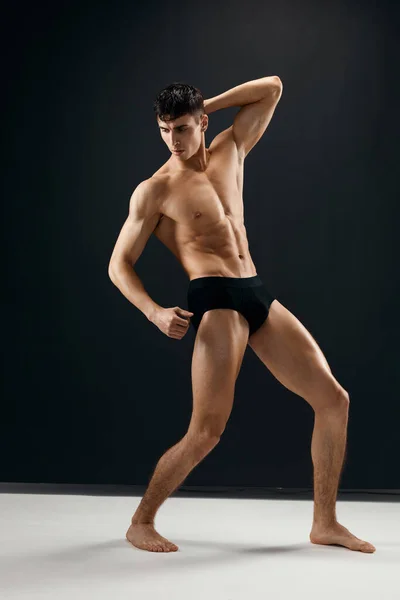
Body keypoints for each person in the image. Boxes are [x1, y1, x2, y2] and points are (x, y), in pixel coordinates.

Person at [108, 79, 376, 554]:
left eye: (184, 127)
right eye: (165, 129)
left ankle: (325, 523)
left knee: (335, 400)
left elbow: (271, 87)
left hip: (255, 291)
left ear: (203, 121)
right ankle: (141, 521)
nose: (173, 139)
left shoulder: (231, 149)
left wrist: (206, 103)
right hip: (216, 299)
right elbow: (118, 264)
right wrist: (152, 312)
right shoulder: (155, 190)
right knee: (206, 431)